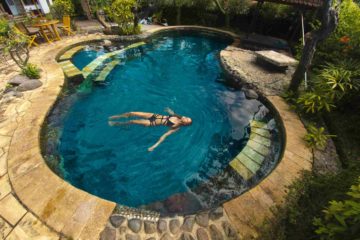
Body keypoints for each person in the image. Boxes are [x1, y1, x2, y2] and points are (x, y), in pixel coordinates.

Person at [109, 108, 192, 152]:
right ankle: (118, 116)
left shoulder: (176, 127)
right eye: (188, 118)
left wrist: (154, 146)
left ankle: (118, 124)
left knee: (132, 121)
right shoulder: (179, 117)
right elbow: (173, 114)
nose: (186, 117)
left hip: (150, 123)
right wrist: (170, 111)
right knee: (132, 112)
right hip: (154, 116)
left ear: (185, 123)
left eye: (187, 120)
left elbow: (165, 136)